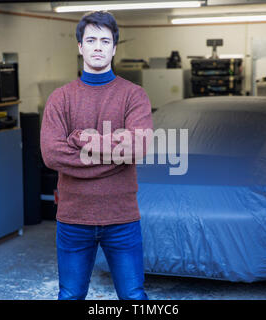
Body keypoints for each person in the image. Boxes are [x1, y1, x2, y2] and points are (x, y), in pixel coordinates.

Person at [40, 10, 153, 300]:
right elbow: (52, 155)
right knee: (70, 295)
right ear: (80, 47)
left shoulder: (134, 95)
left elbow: (138, 147)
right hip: (73, 218)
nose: (98, 46)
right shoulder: (60, 98)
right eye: (91, 40)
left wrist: (81, 140)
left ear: (114, 48)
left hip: (122, 218)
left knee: (133, 296)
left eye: (105, 40)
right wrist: (115, 157)